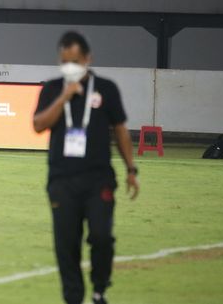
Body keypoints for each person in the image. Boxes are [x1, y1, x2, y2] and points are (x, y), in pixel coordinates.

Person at [33, 31, 139, 304]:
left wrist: (131, 169)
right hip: (61, 180)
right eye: (65, 60)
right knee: (66, 246)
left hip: (98, 179)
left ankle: (99, 288)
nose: (70, 65)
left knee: (102, 236)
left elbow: (121, 130)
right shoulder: (53, 88)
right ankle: (73, 298)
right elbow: (38, 125)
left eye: (76, 60)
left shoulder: (106, 88)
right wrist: (64, 98)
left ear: (88, 58)